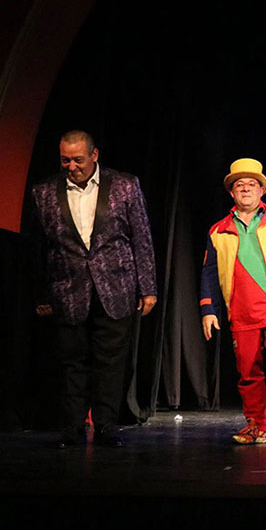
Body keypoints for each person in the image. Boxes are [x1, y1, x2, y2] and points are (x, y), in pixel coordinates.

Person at [31, 130, 157, 448]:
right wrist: (42, 294)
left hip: (116, 285)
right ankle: (73, 426)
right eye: (65, 160)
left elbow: (141, 237)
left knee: (110, 362)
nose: (71, 166)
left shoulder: (125, 185)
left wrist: (148, 287)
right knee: (71, 361)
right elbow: (39, 248)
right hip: (67, 289)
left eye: (78, 159)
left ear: (94, 155)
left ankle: (105, 425)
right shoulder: (44, 192)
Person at [200, 158, 266, 444]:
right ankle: (257, 426)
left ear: (262, 190)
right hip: (241, 310)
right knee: (248, 370)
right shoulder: (218, 230)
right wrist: (208, 310)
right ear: (232, 192)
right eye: (240, 185)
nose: (246, 189)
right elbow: (209, 272)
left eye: (252, 184)